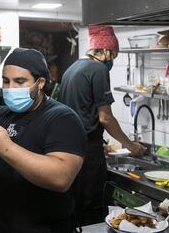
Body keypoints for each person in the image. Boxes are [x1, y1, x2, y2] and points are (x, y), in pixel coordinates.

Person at [0, 48, 87, 233]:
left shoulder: (62, 118)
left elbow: (61, 178)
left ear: (40, 83)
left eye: (20, 81)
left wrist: (5, 148)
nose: (10, 88)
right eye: (6, 81)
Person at [59, 25, 147, 225]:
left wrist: (98, 140)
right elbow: (105, 118)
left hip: (70, 149)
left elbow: (79, 110)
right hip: (88, 155)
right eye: (114, 56)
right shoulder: (98, 69)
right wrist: (130, 145)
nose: (112, 61)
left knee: (75, 205)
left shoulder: (72, 68)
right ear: (106, 50)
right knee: (91, 208)